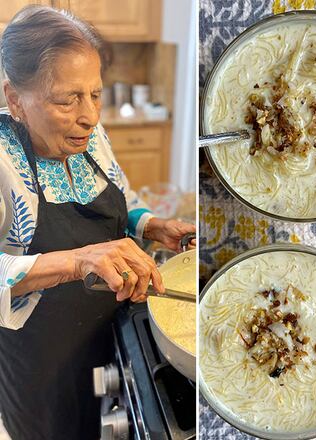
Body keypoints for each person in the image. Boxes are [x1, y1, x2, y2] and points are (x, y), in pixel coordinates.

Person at [0, 6, 195, 438]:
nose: (89, 116)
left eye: (94, 94)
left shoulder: (91, 133)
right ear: (15, 98)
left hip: (111, 333)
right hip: (45, 366)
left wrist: (150, 225)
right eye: (66, 99)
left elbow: (120, 195)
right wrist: (77, 260)